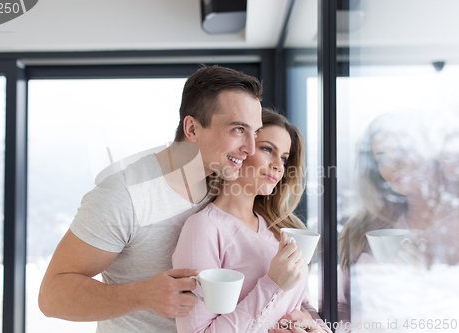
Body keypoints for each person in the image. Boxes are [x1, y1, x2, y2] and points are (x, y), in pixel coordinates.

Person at [38, 65, 264, 332]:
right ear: (192, 129)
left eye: (256, 133)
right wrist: (142, 295)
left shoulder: (225, 184)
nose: (250, 148)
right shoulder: (123, 196)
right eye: (238, 130)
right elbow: (51, 296)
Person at [172, 108, 330, 333]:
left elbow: (303, 305)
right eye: (268, 149)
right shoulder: (204, 229)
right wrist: (272, 284)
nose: (278, 165)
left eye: (284, 158)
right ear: (240, 149)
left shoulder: (281, 230)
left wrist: (316, 329)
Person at [337, 111, 459, 331]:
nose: (394, 164)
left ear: (431, 152)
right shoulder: (361, 228)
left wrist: (431, 278)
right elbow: (338, 306)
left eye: (404, 150)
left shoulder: (454, 226)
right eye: (382, 157)